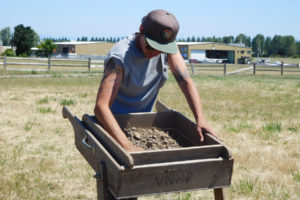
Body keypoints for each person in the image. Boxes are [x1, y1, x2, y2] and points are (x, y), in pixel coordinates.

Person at [94, 9, 217, 152]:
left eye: (161, 49)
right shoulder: (119, 58)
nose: (156, 53)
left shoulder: (168, 49)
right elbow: (101, 107)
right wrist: (127, 146)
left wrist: (200, 118)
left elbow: (185, 81)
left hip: (144, 124)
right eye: (152, 46)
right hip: (114, 125)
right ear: (141, 30)